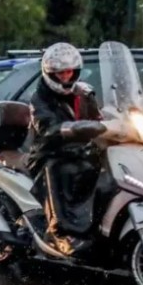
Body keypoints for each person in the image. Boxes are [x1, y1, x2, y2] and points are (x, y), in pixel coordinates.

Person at [25, 42, 103, 255]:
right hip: (47, 152)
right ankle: (58, 232)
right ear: (50, 73)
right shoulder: (39, 97)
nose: (66, 77)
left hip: (78, 150)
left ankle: (95, 223)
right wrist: (71, 129)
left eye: (69, 72)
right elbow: (46, 127)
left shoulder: (85, 93)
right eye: (60, 73)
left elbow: (98, 117)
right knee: (57, 169)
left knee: (104, 164)